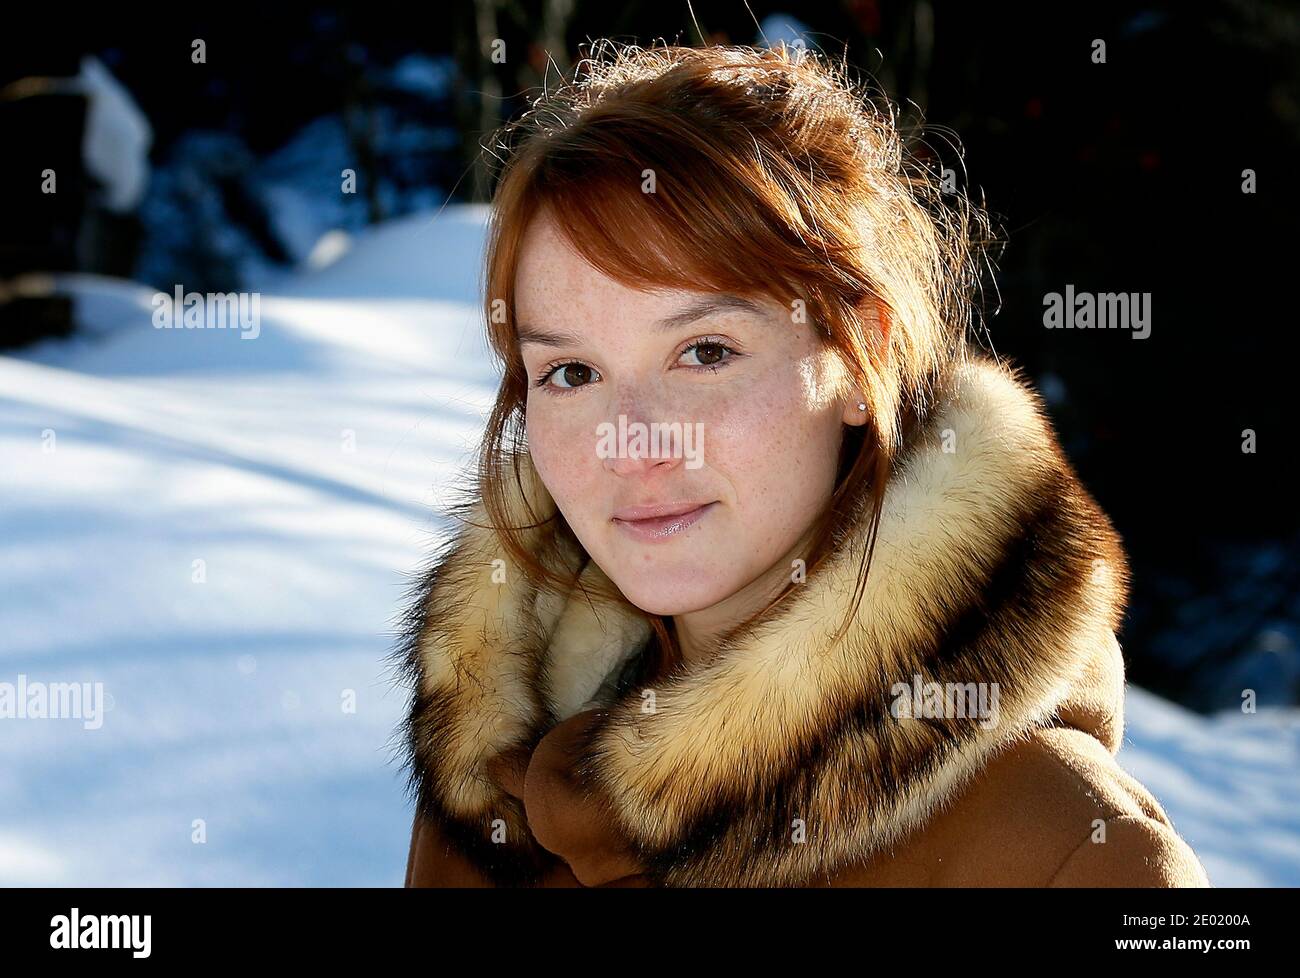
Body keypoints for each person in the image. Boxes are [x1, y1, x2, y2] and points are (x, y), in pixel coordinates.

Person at [395, 41, 1209, 887]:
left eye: (705, 352)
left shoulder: (1065, 850)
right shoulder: (492, 796)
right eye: (571, 373)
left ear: (864, 360)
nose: (628, 442)